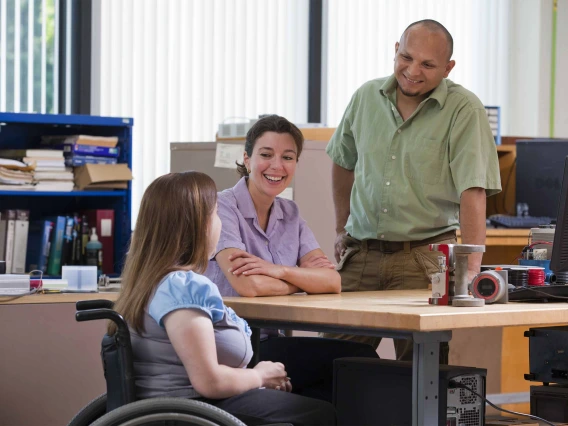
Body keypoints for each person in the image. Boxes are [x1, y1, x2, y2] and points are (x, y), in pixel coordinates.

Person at [323, 19, 502, 361]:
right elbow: (343, 162)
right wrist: (339, 227)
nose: (412, 71)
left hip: (425, 258)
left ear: (448, 68)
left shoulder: (464, 109)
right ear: (395, 50)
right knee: (329, 363)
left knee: (421, 374)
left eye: (428, 64)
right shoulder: (365, 97)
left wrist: (472, 269)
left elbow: (472, 190)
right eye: (406, 57)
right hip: (361, 255)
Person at [109, 171, 337, 426]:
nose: (220, 223)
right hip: (193, 412)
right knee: (322, 413)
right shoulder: (184, 288)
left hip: (176, 408)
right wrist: (259, 376)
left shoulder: (148, 282)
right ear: (197, 224)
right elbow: (210, 382)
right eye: (216, 214)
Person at [205, 114, 378, 402]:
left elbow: (332, 280)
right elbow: (249, 287)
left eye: (288, 157)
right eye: (266, 155)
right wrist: (301, 281)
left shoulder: (290, 213)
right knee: (354, 360)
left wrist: (277, 271)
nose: (277, 166)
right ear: (246, 159)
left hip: (268, 342)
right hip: (230, 346)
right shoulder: (222, 207)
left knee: (347, 371)